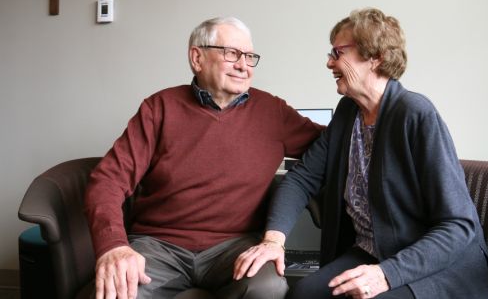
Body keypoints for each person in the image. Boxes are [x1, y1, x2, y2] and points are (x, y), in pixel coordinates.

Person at [233, 8, 488, 298]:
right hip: (374, 252)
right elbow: (302, 178)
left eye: (337, 52)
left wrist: (386, 274)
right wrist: (273, 240)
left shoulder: (414, 113)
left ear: (376, 57)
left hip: (432, 266)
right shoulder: (349, 113)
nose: (329, 62)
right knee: (305, 293)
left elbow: (459, 225)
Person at [84, 16, 323, 299]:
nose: (243, 65)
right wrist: (113, 246)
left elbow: (332, 146)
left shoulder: (273, 112)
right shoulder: (159, 108)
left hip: (235, 247)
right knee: (114, 292)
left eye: (249, 56)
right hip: (159, 246)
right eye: (231, 53)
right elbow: (108, 180)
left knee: (268, 288)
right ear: (197, 58)